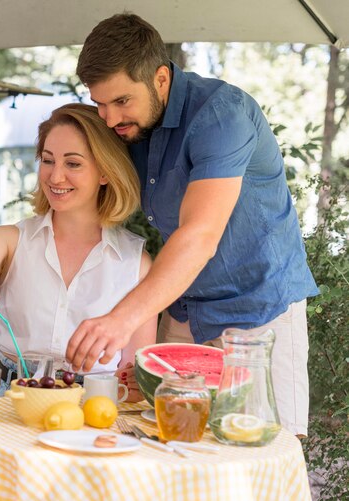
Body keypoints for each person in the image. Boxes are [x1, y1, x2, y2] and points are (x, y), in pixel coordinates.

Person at [64, 13, 318, 436]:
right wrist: (20, 261)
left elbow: (199, 235)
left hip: (260, 308)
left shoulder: (222, 115)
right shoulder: (127, 126)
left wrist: (121, 319)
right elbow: (84, 192)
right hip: (187, 309)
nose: (109, 119)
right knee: (172, 439)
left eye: (122, 101)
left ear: (161, 79)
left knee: (262, 447)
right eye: (99, 104)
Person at [0, 103, 157, 399]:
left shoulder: (136, 263)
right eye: (48, 160)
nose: (55, 176)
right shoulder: (12, 241)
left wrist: (132, 384)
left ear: (105, 172)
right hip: (9, 401)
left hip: (92, 408)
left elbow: (135, 373)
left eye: (73, 164)